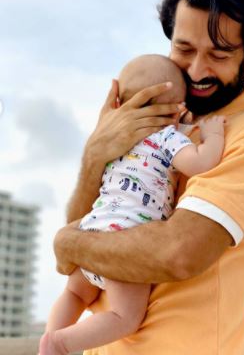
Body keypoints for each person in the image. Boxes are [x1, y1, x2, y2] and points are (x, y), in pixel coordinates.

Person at [52, 0, 244, 355]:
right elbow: (88, 226)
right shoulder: (151, 123)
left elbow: (177, 253)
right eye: (184, 48)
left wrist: (69, 243)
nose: (196, 70)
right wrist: (96, 154)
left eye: (218, 54)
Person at [40, 55, 226, 355]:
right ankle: (61, 343)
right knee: (125, 317)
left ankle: (50, 336)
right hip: (125, 238)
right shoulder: (168, 137)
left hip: (92, 227)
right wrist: (213, 136)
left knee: (75, 293)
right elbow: (199, 164)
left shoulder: (118, 142)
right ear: (179, 106)